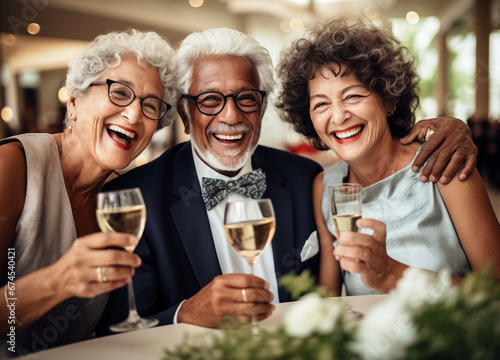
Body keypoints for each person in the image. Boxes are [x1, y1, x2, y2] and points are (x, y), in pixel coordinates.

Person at [97, 27, 477, 333]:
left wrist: (456, 127)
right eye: (210, 100)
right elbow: (118, 325)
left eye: (246, 98)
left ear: (262, 107)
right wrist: (184, 313)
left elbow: (326, 306)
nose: (231, 116)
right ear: (184, 111)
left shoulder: (304, 179)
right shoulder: (133, 198)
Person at [275, 18, 500, 297]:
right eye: (321, 104)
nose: (338, 115)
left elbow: (494, 292)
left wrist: (392, 274)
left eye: (353, 95)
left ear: (389, 100)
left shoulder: (444, 163)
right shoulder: (325, 187)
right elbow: (328, 304)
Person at [0, 29, 177, 356]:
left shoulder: (125, 197)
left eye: (151, 105)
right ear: (75, 101)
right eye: (120, 93)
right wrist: (58, 280)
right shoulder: (12, 165)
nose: (134, 115)